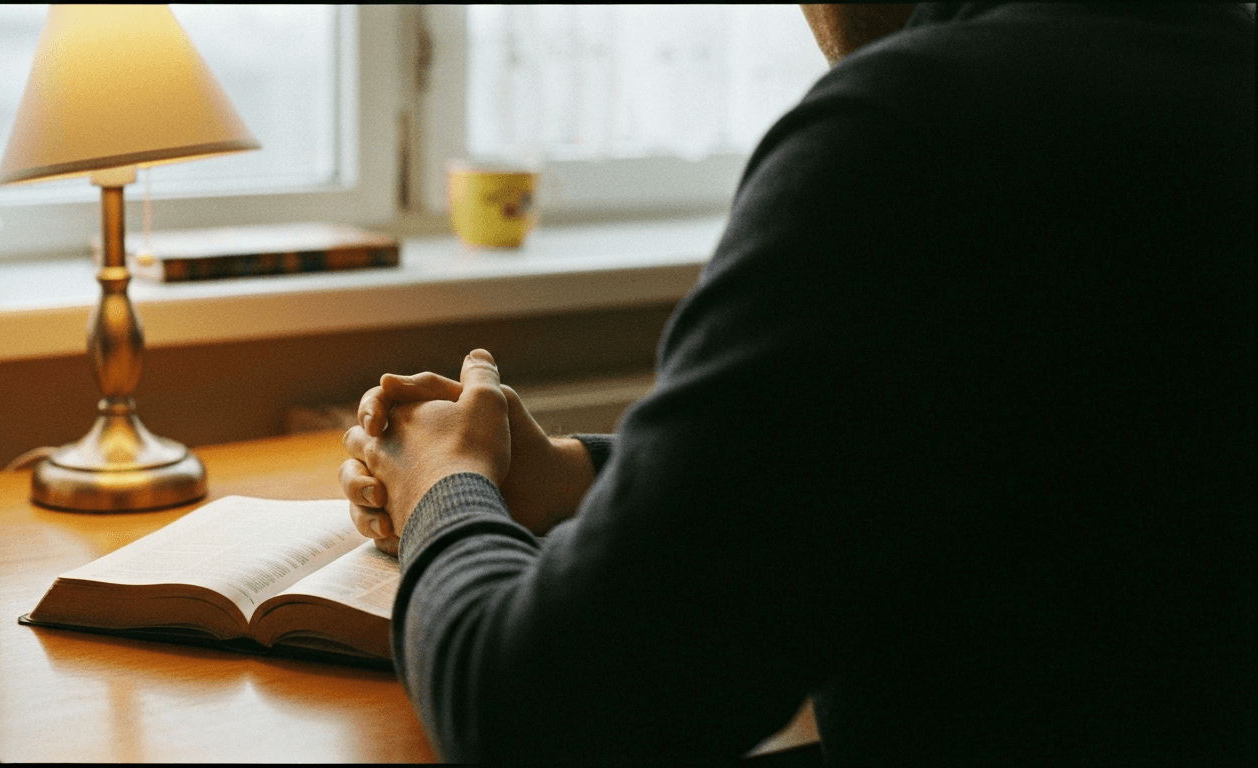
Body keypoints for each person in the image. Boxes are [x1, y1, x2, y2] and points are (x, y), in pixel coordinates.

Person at [340, 3, 1255, 763]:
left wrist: (440, 484)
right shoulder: (1203, 71)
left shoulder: (911, 128)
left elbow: (538, 714)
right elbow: (1050, 460)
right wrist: (583, 475)